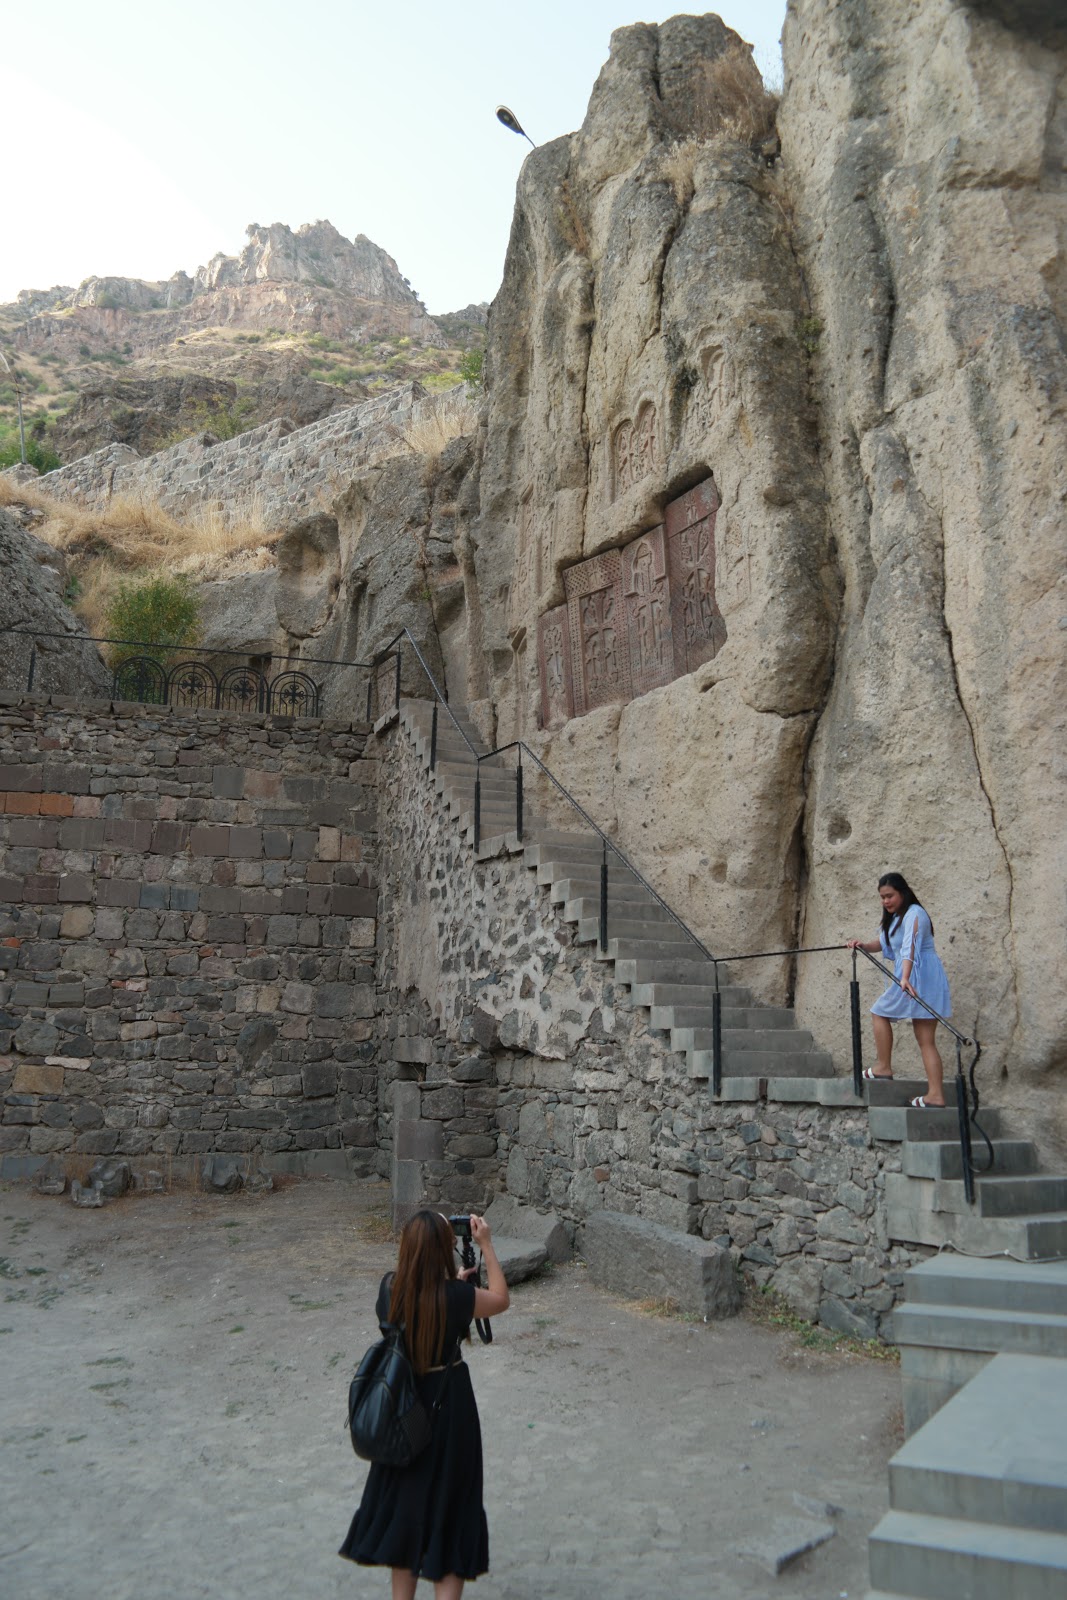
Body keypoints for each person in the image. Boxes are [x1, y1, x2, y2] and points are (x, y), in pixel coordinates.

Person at [340, 1210, 510, 1599]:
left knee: (406, 1505)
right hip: (449, 1408)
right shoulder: (457, 1299)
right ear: (440, 1251)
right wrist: (486, 1246)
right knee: (453, 1504)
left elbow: (422, 1301)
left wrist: (454, 1285)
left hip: (403, 1404)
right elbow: (500, 1300)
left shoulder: (389, 1290)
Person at [848, 872, 952, 1108]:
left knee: (880, 1012)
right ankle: (935, 1095)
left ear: (902, 892)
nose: (886, 901)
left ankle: (884, 1067)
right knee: (924, 1039)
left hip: (919, 975)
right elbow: (885, 945)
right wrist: (862, 945)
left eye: (890, 896)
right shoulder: (896, 919)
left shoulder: (915, 913)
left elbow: (909, 948)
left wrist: (904, 978)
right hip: (913, 974)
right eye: (882, 898)